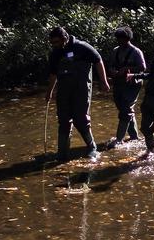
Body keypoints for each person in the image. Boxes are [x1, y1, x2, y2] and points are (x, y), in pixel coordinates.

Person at [43, 26, 108, 157]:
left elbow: (98, 60)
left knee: (81, 119)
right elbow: (53, 74)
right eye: (52, 43)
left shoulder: (82, 47)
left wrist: (103, 81)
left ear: (65, 39)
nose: (54, 45)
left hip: (81, 89)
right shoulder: (55, 53)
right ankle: (62, 153)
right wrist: (49, 92)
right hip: (63, 91)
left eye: (56, 42)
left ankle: (92, 147)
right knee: (64, 120)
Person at [108, 25, 147, 146]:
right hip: (118, 83)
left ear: (127, 38)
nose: (119, 42)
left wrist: (127, 68)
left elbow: (143, 67)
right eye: (118, 39)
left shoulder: (136, 52)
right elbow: (110, 66)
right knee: (125, 109)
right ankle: (134, 137)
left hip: (132, 85)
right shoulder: (115, 51)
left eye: (121, 39)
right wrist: (113, 71)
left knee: (126, 110)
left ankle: (119, 139)